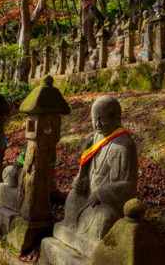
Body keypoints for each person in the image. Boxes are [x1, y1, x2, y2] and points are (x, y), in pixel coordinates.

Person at [52, 95, 138, 256]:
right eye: (94, 119)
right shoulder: (94, 139)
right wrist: (81, 179)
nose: (97, 124)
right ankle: (70, 228)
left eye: (101, 119)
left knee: (103, 219)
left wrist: (101, 193)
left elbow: (129, 185)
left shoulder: (124, 145)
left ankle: (92, 240)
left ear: (116, 118)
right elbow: (87, 171)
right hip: (88, 195)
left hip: (108, 203)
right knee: (72, 198)